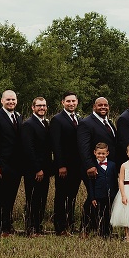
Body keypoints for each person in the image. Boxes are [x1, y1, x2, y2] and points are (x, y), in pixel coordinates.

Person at [77, 97, 118, 236]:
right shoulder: (86, 123)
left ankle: (102, 228)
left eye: (106, 105)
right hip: (94, 168)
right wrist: (90, 165)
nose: (103, 107)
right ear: (94, 107)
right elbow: (83, 146)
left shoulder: (109, 122)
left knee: (104, 197)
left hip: (107, 167)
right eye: (100, 105)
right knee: (93, 197)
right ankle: (85, 227)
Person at [0, 90, 23, 237]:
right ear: (2, 101)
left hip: (16, 165)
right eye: (8, 99)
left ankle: (8, 225)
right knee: (0, 199)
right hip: (2, 166)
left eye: (13, 99)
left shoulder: (18, 117)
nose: (11, 102)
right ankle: (0, 228)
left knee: (10, 198)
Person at [50, 92, 83, 236]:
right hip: (63, 166)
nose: (71, 103)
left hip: (77, 166)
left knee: (72, 196)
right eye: (68, 101)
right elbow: (56, 145)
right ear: (63, 102)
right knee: (61, 196)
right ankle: (60, 227)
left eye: (73, 101)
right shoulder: (57, 119)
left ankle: (70, 224)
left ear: (77, 102)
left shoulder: (79, 119)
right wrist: (61, 165)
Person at [21, 97, 54, 237]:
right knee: (33, 199)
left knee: (41, 199)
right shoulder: (28, 124)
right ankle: (31, 228)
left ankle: (38, 226)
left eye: (44, 105)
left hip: (45, 169)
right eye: (39, 105)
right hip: (34, 170)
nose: (42, 108)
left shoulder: (45, 123)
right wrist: (37, 169)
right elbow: (28, 149)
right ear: (33, 107)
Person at [83, 142, 118, 238]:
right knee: (99, 214)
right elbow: (90, 183)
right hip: (98, 195)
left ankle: (108, 232)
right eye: (99, 153)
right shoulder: (93, 166)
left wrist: (116, 194)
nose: (101, 155)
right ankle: (100, 232)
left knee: (109, 214)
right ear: (94, 153)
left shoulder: (112, 165)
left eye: (103, 153)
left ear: (107, 153)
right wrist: (92, 197)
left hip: (110, 195)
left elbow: (115, 180)